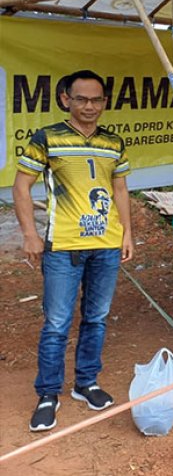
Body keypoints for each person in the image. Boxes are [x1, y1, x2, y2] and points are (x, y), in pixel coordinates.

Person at [13, 70, 134, 432]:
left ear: (105, 102)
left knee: (97, 318)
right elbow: (21, 187)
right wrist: (30, 235)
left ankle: (86, 383)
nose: (89, 106)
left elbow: (121, 191)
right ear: (66, 99)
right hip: (63, 246)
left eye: (97, 99)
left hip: (106, 246)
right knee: (56, 323)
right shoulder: (47, 138)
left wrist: (126, 234)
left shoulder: (113, 142)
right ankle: (48, 393)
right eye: (81, 99)